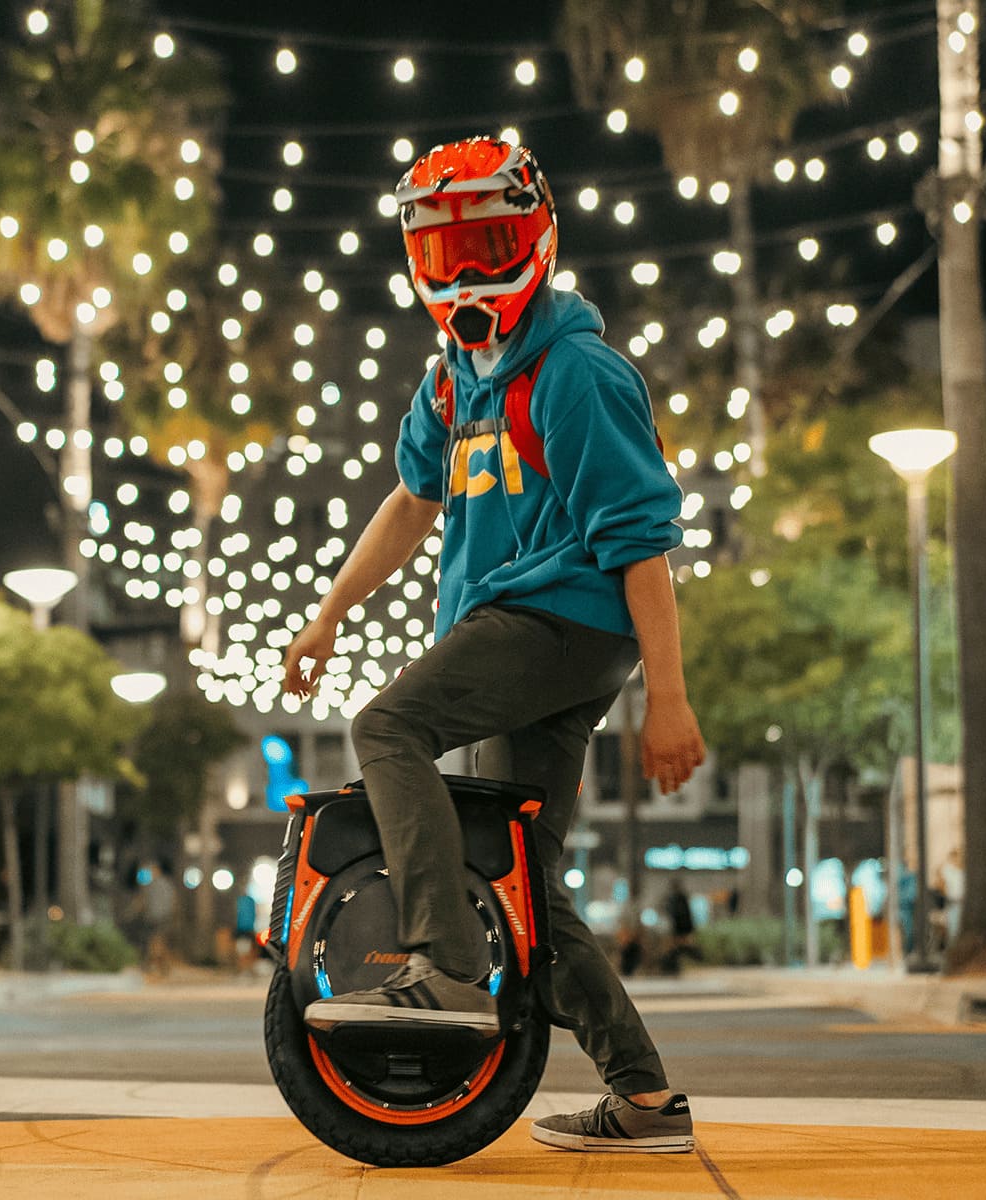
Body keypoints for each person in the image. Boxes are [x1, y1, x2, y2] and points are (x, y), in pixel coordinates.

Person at [282, 136, 706, 1154]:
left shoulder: (576, 373)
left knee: (387, 723)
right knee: (525, 879)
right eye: (447, 254)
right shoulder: (452, 383)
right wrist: (330, 610)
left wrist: (672, 697)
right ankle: (644, 1099)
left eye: (492, 245)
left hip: (556, 619)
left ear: (541, 239)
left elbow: (642, 544)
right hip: (533, 633)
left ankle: (447, 964)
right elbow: (409, 503)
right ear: (419, 264)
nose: (469, 275)